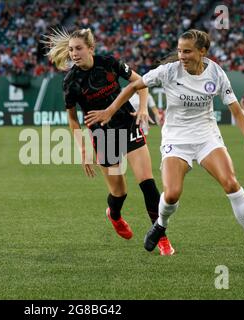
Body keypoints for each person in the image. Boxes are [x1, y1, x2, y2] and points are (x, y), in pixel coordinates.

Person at [85, 29, 244, 261]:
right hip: (176, 140)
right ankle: (160, 224)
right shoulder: (169, 71)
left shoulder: (216, 73)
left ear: (202, 52)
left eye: (187, 51)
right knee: (171, 194)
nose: (182, 55)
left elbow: (237, 111)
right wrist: (111, 110)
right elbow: (133, 86)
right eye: (179, 50)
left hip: (206, 137)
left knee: (231, 183)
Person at [43, 28, 175, 255]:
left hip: (128, 124)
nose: (74, 54)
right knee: (119, 192)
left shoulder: (109, 63)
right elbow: (73, 119)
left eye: (79, 49)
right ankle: (114, 215)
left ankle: (161, 236)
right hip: (103, 136)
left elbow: (139, 83)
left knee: (148, 184)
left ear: (90, 49)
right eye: (72, 50)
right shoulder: (71, 81)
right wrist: (83, 149)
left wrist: (143, 107)